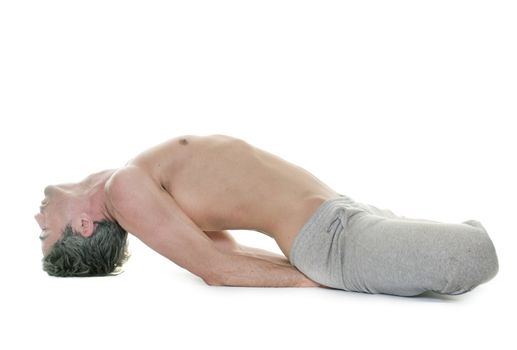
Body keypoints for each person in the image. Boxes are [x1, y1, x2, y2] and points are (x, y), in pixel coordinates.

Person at [34, 134, 499, 296]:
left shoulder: (137, 187)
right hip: (332, 238)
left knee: (456, 246)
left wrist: (292, 266)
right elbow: (216, 269)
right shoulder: (125, 193)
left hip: (343, 217)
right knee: (472, 255)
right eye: (45, 235)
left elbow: (223, 247)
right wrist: (306, 277)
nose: (37, 222)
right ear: (83, 226)